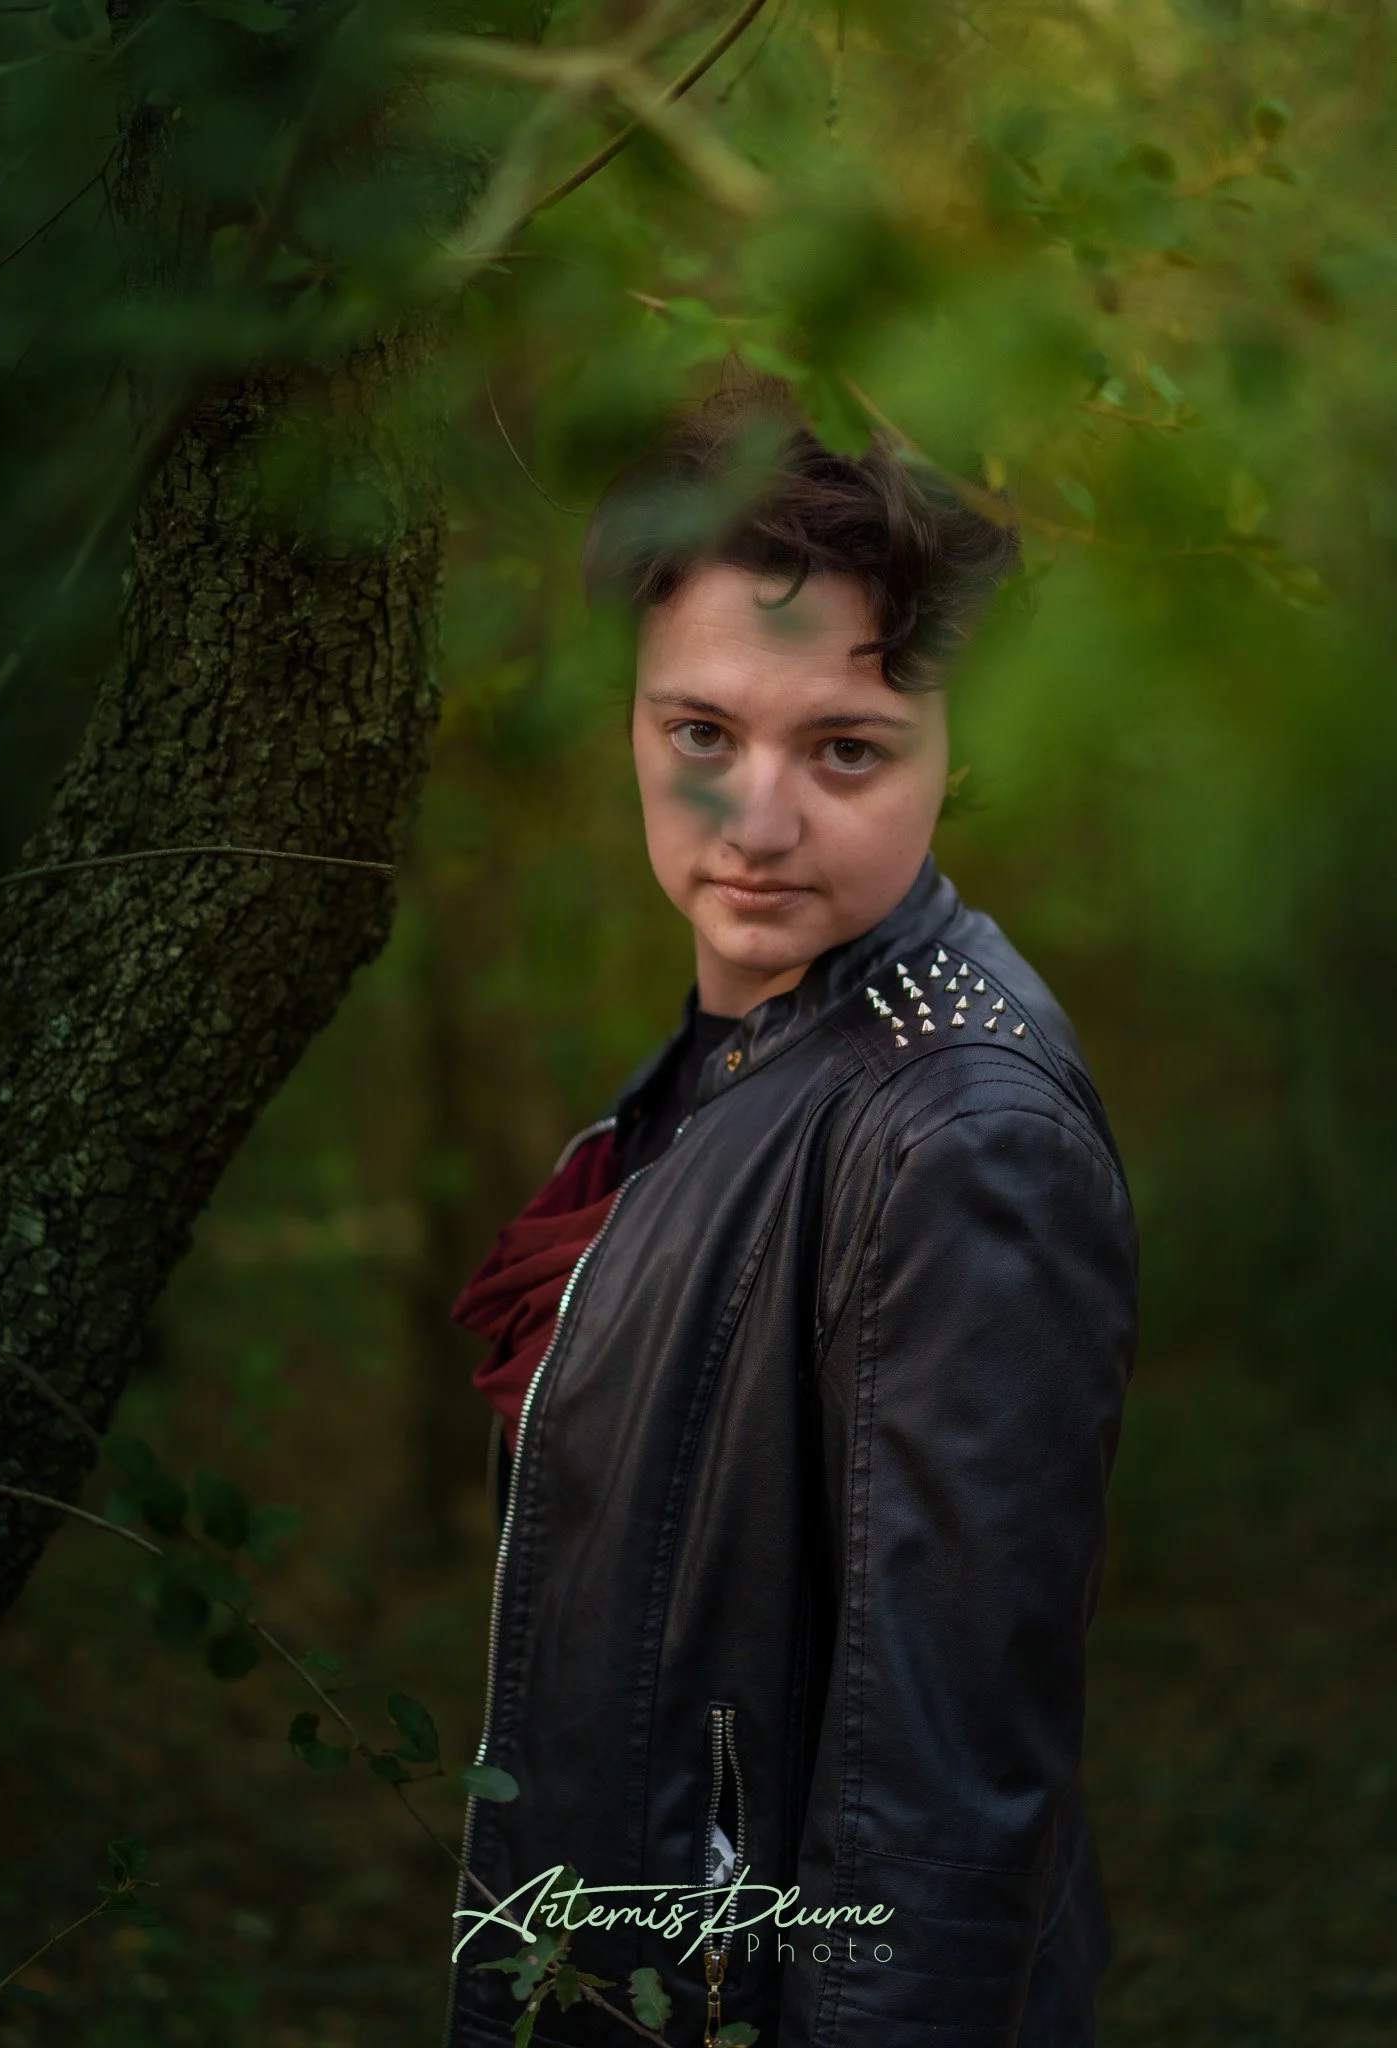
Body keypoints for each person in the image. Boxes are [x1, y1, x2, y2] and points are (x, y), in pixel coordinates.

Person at [442, 372, 1138, 2048]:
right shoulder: (738, 1054)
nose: (755, 825)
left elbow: (943, 1818)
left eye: (845, 749)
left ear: (956, 752)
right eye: (702, 735)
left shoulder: (961, 1135)